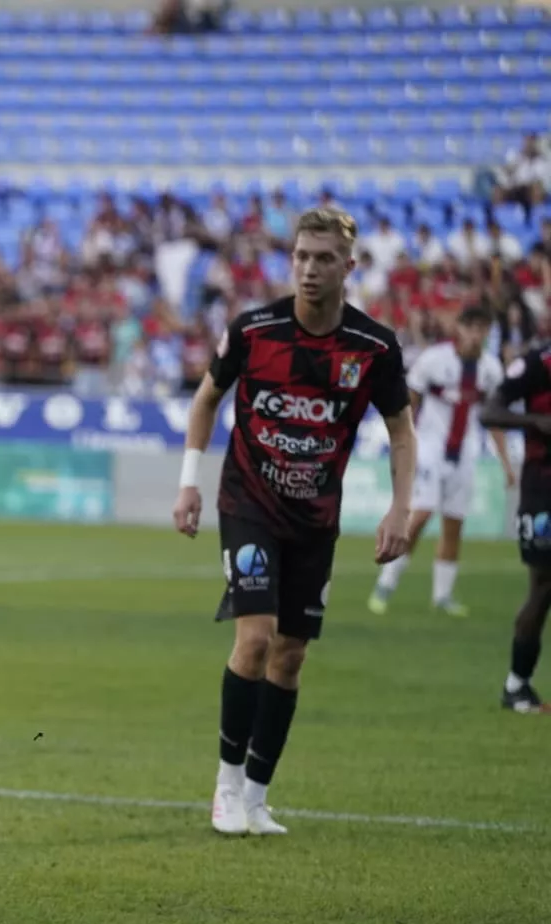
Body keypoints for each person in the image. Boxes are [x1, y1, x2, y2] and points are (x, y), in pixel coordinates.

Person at [172, 207, 417, 836]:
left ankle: (256, 796)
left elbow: (400, 429)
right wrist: (188, 484)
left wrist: (400, 507)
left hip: (315, 520)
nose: (310, 269)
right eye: (302, 256)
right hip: (248, 504)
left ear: (348, 267)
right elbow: (206, 400)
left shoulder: (374, 348)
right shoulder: (254, 331)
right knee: (254, 640)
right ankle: (225, 789)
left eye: (324, 259)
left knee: (290, 657)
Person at [368, 306, 512, 617]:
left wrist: (507, 464)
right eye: (471, 326)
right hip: (431, 449)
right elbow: (410, 403)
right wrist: (404, 445)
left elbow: (496, 419)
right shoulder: (434, 360)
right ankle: (386, 583)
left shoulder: (490, 369)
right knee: (419, 517)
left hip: (466, 453)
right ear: (459, 328)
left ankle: (442, 595)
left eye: (482, 327)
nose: (476, 334)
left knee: (454, 525)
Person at [479, 341, 551, 713]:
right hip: (543, 491)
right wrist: (535, 422)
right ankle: (516, 684)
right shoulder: (538, 363)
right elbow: (489, 411)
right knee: (543, 586)